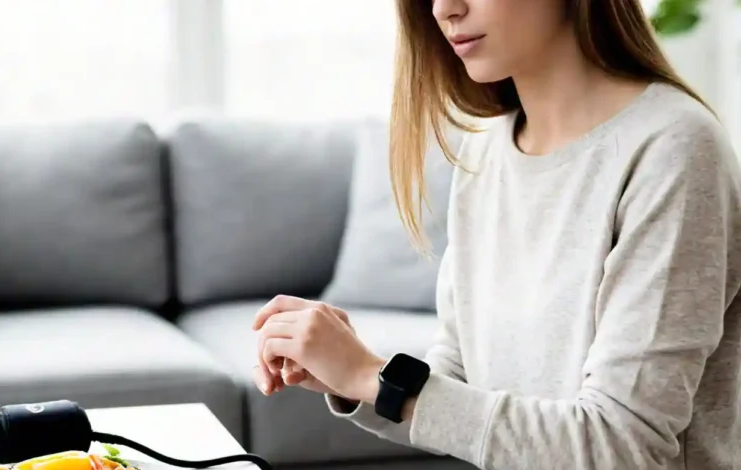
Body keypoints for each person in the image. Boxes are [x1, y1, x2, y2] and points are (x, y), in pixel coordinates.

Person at [251, 0, 741, 468]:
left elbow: (621, 444)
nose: (445, 10)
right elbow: (455, 389)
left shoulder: (672, 149)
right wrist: (354, 377)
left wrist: (368, 378)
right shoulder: (486, 152)